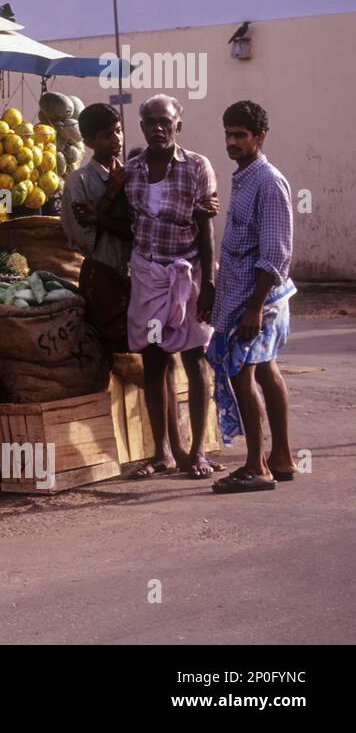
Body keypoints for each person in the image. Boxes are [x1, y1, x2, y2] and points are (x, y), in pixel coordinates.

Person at [125, 95, 222, 478]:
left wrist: (210, 282)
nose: (158, 128)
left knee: (195, 360)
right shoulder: (132, 171)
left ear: (178, 125)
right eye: (151, 122)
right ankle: (162, 452)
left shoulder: (198, 166)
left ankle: (197, 451)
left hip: (189, 274)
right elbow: (128, 222)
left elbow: (206, 226)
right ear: (143, 126)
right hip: (148, 276)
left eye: (165, 122)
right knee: (153, 360)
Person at [208, 101, 297, 493]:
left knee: (243, 375)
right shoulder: (243, 177)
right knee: (266, 370)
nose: (232, 141)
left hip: (259, 299)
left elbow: (276, 252)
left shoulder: (268, 180)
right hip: (244, 297)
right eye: (229, 133)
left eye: (241, 135)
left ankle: (255, 466)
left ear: (259, 137)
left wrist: (255, 307)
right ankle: (282, 458)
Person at [62, 103, 132, 352]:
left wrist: (99, 215)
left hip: (135, 277)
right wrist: (110, 195)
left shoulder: (130, 175)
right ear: (89, 142)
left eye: (119, 130)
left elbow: (139, 231)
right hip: (101, 278)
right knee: (107, 348)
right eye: (107, 135)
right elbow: (84, 238)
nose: (116, 140)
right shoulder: (78, 181)